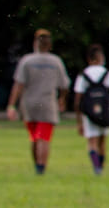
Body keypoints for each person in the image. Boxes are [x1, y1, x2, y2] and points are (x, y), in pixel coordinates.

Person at [7, 31, 71, 174]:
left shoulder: (27, 61)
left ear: (35, 43)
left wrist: (11, 105)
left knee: (34, 137)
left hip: (29, 103)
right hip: (47, 102)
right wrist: (62, 99)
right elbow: (64, 85)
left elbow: (18, 85)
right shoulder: (56, 62)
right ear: (50, 45)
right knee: (44, 137)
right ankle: (41, 168)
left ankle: (36, 164)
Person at [71, 44, 109, 174]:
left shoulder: (83, 75)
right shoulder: (108, 74)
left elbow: (77, 100)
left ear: (89, 59)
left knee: (92, 142)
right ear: (101, 58)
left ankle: (96, 167)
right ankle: (100, 165)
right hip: (105, 113)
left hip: (89, 114)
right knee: (102, 141)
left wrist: (79, 121)